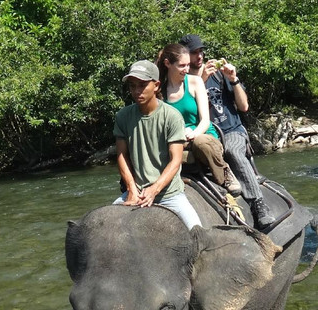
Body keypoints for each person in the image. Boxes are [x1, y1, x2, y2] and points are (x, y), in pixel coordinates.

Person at [179, 33, 272, 230]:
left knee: (232, 150)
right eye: (194, 53)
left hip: (231, 130)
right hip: (204, 135)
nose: (199, 56)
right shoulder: (183, 81)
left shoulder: (219, 75)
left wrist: (234, 79)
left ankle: (259, 204)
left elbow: (244, 106)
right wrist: (201, 79)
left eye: (201, 51)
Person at [112, 59, 202, 229]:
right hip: (136, 192)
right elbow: (121, 155)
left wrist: (154, 189)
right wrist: (131, 189)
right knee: (107, 227)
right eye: (132, 86)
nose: (136, 91)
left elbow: (175, 160)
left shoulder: (172, 116)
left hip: (170, 195)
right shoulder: (123, 117)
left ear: (156, 86)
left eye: (142, 85)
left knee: (197, 231)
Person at [156, 43, 242, 197]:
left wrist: (194, 133)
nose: (186, 69)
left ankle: (225, 173)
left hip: (202, 136)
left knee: (200, 142)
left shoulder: (195, 82)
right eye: (182, 66)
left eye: (188, 65)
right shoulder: (159, 90)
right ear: (168, 64)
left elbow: (205, 121)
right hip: (176, 140)